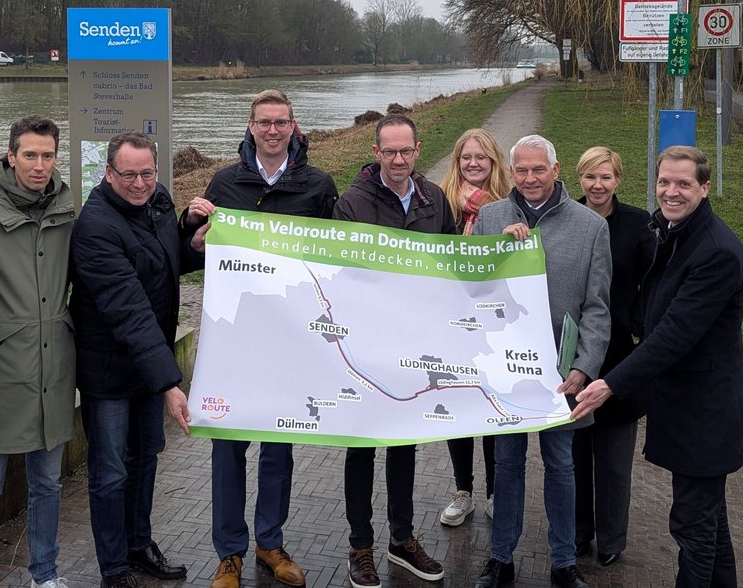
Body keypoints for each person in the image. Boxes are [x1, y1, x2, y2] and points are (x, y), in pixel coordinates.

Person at [573, 146, 743, 588]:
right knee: (710, 521)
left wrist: (610, 384)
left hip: (706, 413)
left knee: (692, 525)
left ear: (705, 187)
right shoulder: (674, 232)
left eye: (683, 184)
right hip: (689, 408)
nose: (671, 192)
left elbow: (673, 335)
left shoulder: (715, 252)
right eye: (664, 183)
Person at [182, 90, 338, 588]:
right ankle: (228, 552)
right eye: (264, 122)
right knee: (227, 445)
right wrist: (195, 237)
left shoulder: (318, 185)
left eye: (281, 122)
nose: (272, 130)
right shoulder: (225, 182)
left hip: (290, 338)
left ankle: (270, 543)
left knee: (279, 447)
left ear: (295, 126)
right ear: (250, 127)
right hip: (234, 335)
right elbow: (200, 251)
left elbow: (335, 260)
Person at [471, 134, 611, 588]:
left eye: (539, 170)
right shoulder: (491, 218)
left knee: (562, 466)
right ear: (511, 173)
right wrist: (503, 253)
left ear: (555, 171)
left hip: (560, 373)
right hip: (505, 370)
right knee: (506, 465)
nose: (530, 179)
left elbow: (597, 307)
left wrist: (585, 366)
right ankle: (500, 559)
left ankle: (564, 562)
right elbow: (472, 294)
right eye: (522, 171)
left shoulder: (590, 226)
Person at [70, 132, 205, 588]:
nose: (140, 182)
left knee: (147, 456)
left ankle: (139, 544)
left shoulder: (160, 202)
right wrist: (170, 383)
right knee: (110, 471)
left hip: (149, 367)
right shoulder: (94, 227)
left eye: (147, 173)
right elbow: (127, 307)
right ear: (109, 173)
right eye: (128, 174)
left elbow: (163, 263)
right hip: (108, 370)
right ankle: (113, 566)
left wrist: (194, 246)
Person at [333, 113, 455, 588]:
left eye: (406, 151)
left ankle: (401, 539)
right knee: (361, 447)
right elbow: (339, 275)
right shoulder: (352, 203)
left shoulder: (434, 199)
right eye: (390, 152)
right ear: (376, 152)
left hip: (414, 344)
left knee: (405, 443)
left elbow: (450, 263)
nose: (399, 159)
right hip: (364, 347)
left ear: (418, 150)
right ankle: (359, 546)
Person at [0, 116, 76, 588]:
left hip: (54, 374)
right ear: (11, 156)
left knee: (48, 485)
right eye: (30, 155)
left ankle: (44, 575)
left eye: (48, 155)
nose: (40, 165)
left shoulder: (70, 213)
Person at [571, 146, 653, 568]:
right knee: (576, 454)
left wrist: (637, 328)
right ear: (579, 179)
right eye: (589, 177)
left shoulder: (640, 225)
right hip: (576, 359)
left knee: (615, 460)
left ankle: (612, 539)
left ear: (618, 179)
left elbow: (650, 284)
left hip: (622, 355)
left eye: (605, 177)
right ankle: (579, 531)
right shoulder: (569, 222)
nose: (597, 186)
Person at [435, 128, 511, 527]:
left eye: (481, 157)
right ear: (457, 161)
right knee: (460, 406)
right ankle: (463, 490)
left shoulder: (510, 205)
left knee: (493, 407)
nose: (473, 164)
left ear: (494, 160)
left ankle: (497, 491)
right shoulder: (441, 202)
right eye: (466, 157)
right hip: (450, 320)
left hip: (493, 323)